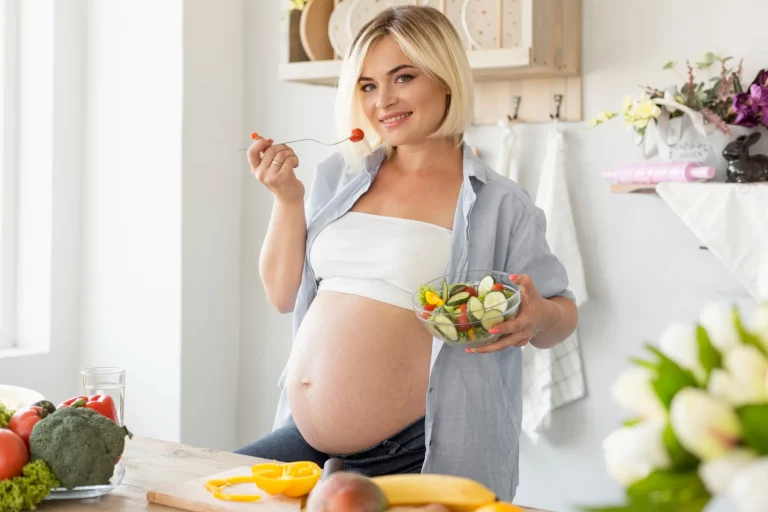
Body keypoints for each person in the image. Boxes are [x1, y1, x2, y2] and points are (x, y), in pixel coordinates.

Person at [237, 5, 578, 502]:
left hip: (419, 448)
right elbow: (281, 293)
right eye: (368, 85)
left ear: (446, 80)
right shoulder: (340, 174)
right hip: (305, 437)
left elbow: (562, 313)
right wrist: (287, 199)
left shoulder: (498, 202)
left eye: (403, 77)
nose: (383, 101)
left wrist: (540, 314)